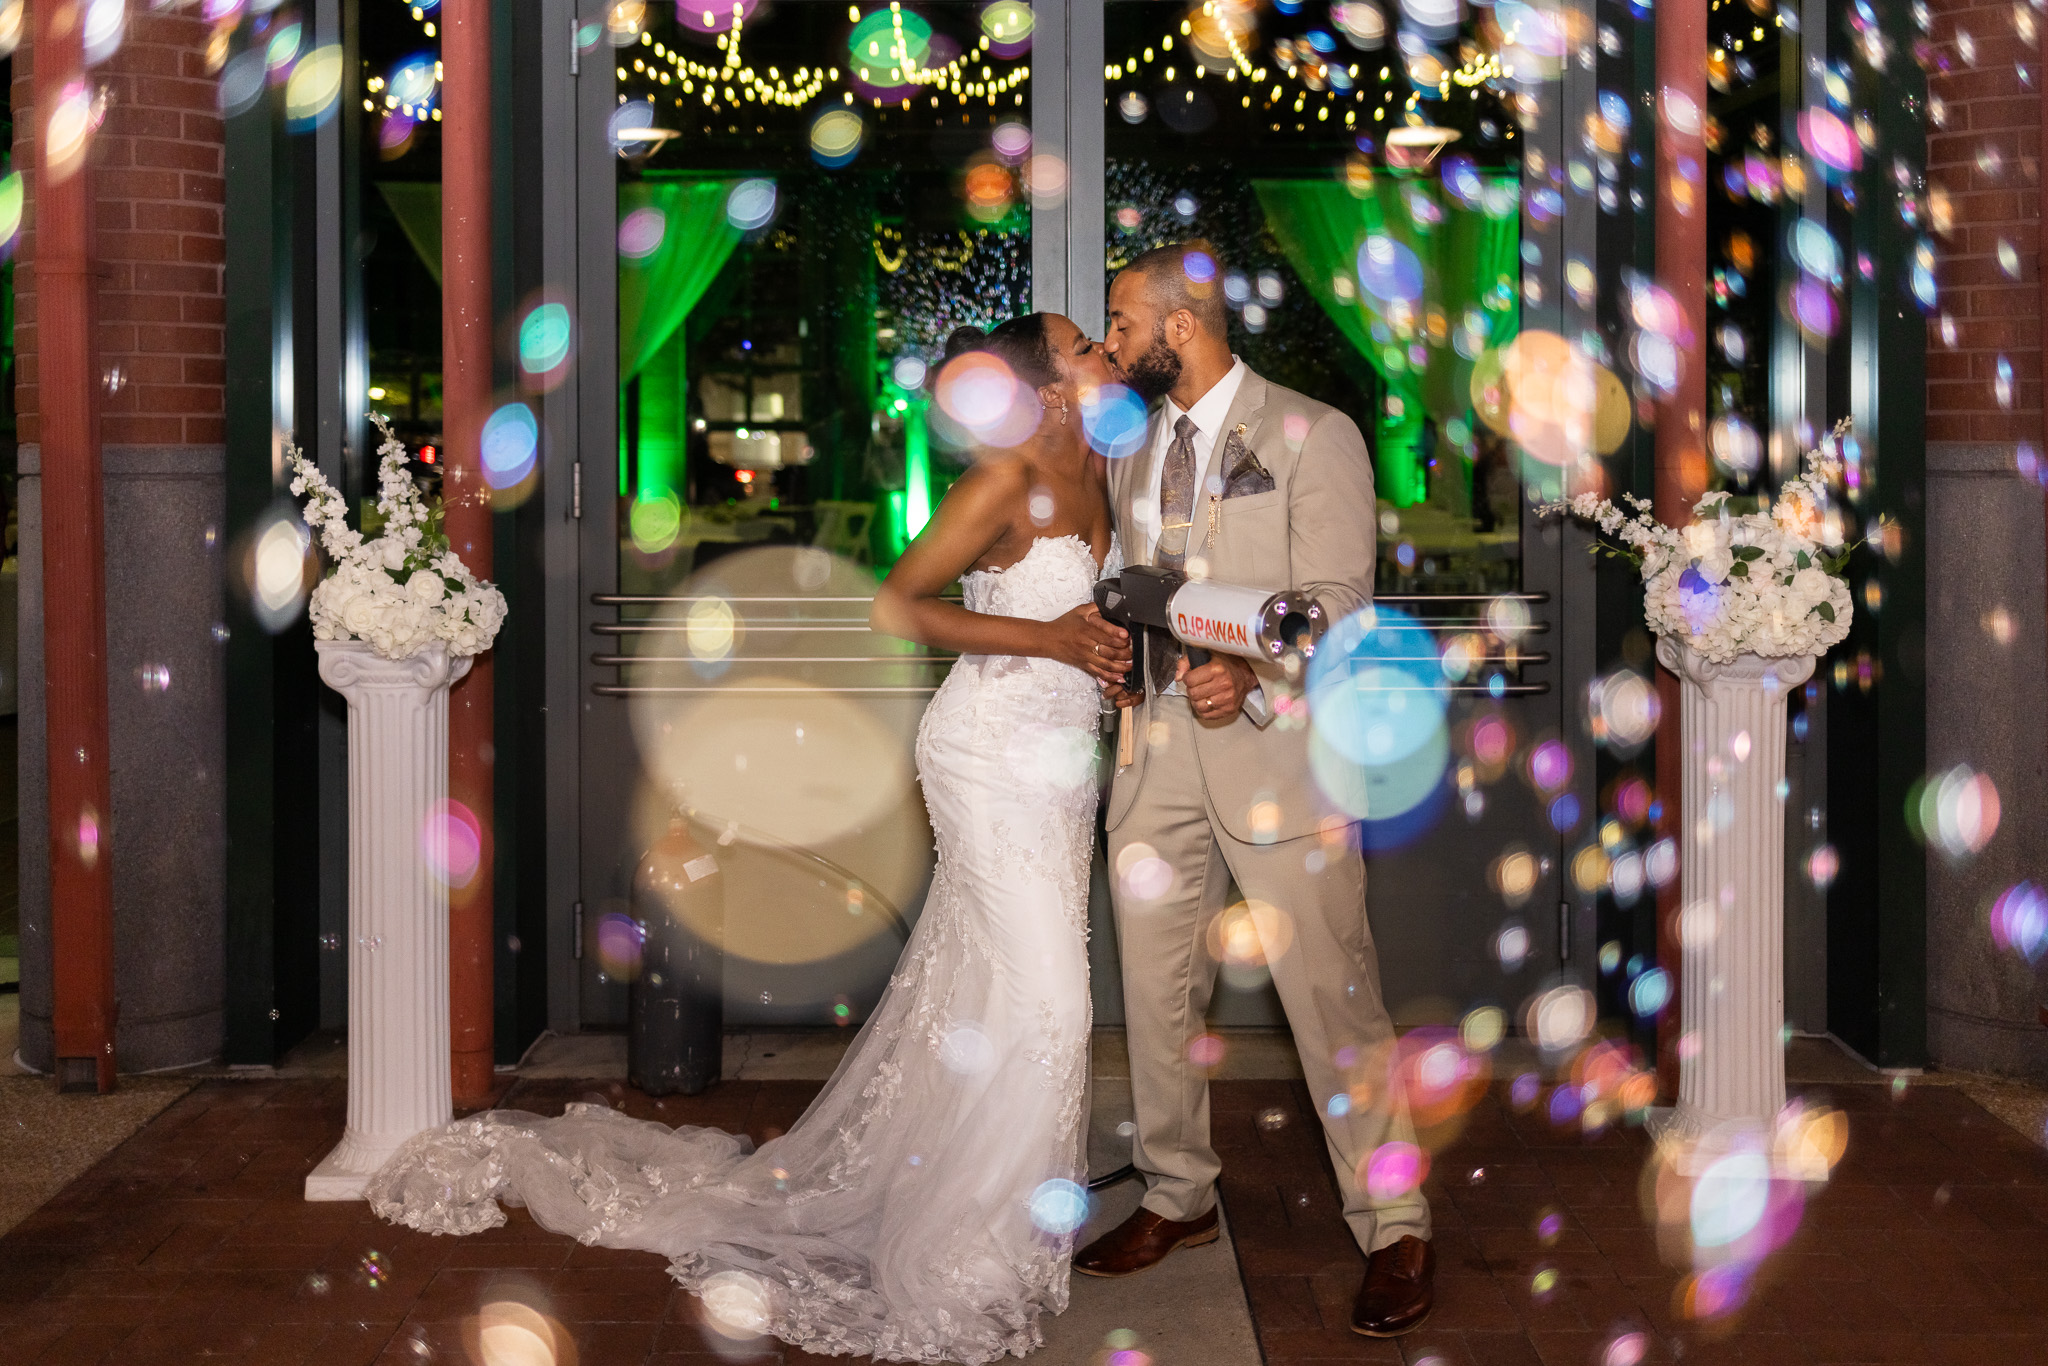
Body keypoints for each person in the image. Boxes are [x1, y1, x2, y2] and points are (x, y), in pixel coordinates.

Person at [366, 313, 1133, 1365]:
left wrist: (1110, 655)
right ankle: (968, 1252)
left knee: (997, 993)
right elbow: (897, 609)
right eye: (1085, 346)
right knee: (1053, 1001)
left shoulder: (1105, 475)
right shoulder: (997, 484)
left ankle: (998, 1224)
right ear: (1046, 390)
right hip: (988, 756)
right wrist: (1044, 636)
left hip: (1061, 769)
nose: (1103, 355)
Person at [1073, 243, 1436, 1338]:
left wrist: (1257, 668)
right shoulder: (1130, 449)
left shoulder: (1310, 433)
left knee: (1331, 992)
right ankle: (1176, 1190)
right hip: (1153, 752)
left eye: (1126, 323)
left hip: (1275, 753)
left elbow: (1337, 600)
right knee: (1154, 992)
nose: (1117, 343)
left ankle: (1394, 1219)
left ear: (1179, 328)